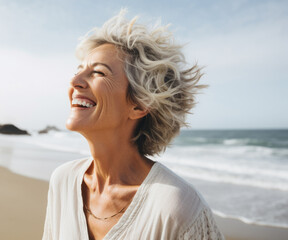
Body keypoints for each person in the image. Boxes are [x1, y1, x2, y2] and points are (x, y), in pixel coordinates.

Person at [42, 10, 224, 240]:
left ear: (139, 104)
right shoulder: (63, 181)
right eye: (79, 71)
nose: (75, 81)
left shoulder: (177, 209)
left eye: (98, 72)